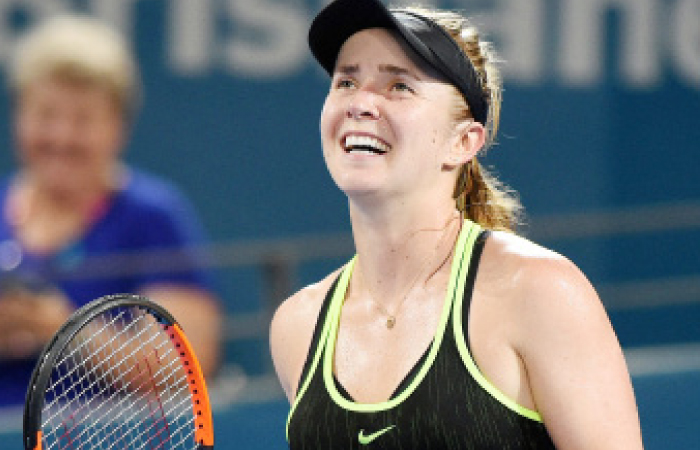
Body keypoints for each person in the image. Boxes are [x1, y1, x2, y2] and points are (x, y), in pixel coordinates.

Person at [270, 0, 644, 448]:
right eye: (347, 81)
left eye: (398, 86)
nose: (361, 103)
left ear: (462, 141)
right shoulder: (298, 325)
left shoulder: (538, 291)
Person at [0, 14, 222, 408]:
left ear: (118, 127)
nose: (62, 137)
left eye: (83, 120)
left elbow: (184, 368)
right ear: (20, 117)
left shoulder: (153, 215)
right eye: (46, 115)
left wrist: (60, 328)